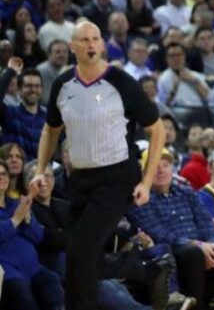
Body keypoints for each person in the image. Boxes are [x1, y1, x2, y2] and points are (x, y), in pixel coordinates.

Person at [28, 21, 167, 310]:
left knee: (82, 249)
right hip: (79, 179)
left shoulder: (121, 82)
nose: (91, 44)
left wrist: (146, 181)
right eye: (84, 40)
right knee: (76, 252)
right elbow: (50, 130)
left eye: (95, 39)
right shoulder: (63, 84)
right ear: (72, 47)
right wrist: (40, 169)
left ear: (102, 44)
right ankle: (134, 268)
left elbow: (157, 130)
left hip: (117, 177)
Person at [130, 147, 214, 310]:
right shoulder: (141, 198)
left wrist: (212, 245)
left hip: (202, 249)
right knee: (192, 253)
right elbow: (157, 233)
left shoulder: (186, 192)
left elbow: (206, 223)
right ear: (145, 172)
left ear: (172, 169)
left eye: (166, 165)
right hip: (173, 252)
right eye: (155, 166)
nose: (161, 170)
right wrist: (197, 244)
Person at [0, 161, 65, 310]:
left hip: (32, 266)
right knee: (22, 293)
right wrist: (15, 220)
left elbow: (38, 236)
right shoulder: (17, 210)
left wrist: (29, 221)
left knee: (52, 281)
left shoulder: (16, 204)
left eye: (4, 174)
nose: (1, 177)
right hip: (8, 269)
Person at [0, 58, 46, 159]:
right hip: (14, 167)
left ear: (42, 89)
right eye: (28, 86)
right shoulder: (9, 113)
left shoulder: (48, 118)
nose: (33, 90)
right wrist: (10, 71)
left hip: (41, 168)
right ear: (19, 89)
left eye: (37, 86)